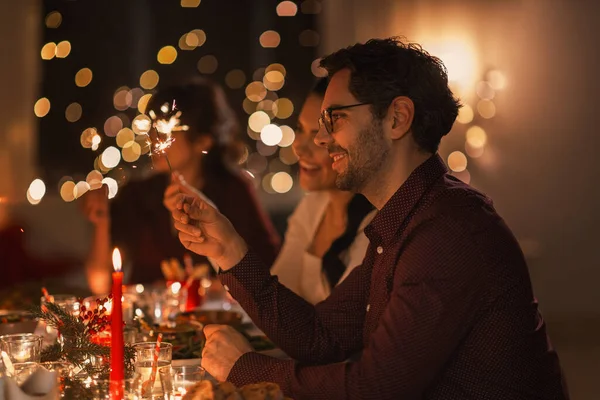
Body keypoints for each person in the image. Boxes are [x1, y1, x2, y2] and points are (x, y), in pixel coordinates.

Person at [171, 38, 568, 399]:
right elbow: (321, 336)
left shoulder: (448, 230)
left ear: (397, 118)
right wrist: (229, 250)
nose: (322, 139)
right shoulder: (405, 219)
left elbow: (376, 388)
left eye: (335, 118)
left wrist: (246, 370)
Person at [82, 79, 280, 294]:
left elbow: (269, 273)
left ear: (203, 141)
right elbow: (100, 284)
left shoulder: (233, 192)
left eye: (170, 130)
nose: (155, 139)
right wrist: (102, 222)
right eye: (153, 127)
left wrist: (198, 288)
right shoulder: (137, 194)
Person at [271, 78, 375, 304]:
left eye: (320, 133)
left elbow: (339, 329)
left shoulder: (375, 225)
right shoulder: (312, 207)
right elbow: (276, 296)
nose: (299, 147)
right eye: (300, 129)